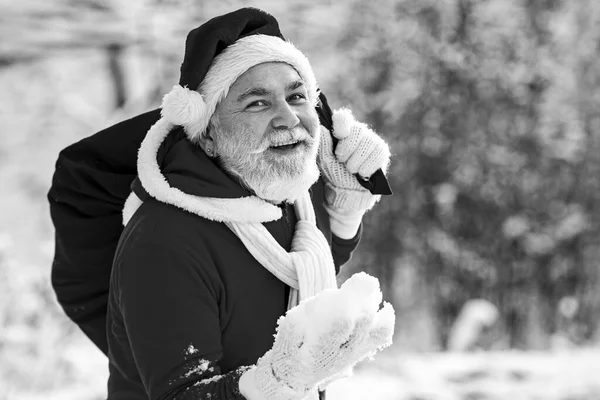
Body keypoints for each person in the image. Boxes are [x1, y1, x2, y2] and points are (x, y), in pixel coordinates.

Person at [49, 7, 393, 400]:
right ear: (208, 136)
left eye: (296, 96)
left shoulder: (288, 193)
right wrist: (277, 380)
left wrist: (344, 209)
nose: (288, 118)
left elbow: (304, 269)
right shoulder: (167, 241)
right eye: (257, 103)